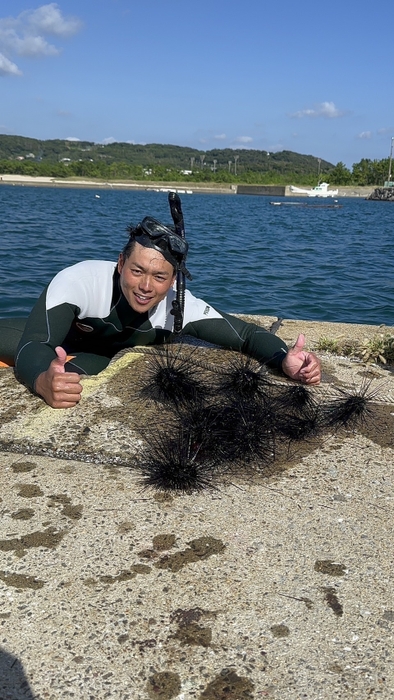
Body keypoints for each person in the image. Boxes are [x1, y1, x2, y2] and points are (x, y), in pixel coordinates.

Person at [0, 215, 321, 408]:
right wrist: (42, 381)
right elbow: (36, 344)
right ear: (121, 263)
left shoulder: (179, 309)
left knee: (77, 378)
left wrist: (284, 360)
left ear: (173, 280)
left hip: (101, 356)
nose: (145, 286)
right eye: (137, 271)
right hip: (60, 340)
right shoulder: (80, 280)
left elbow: (247, 335)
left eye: (159, 276)